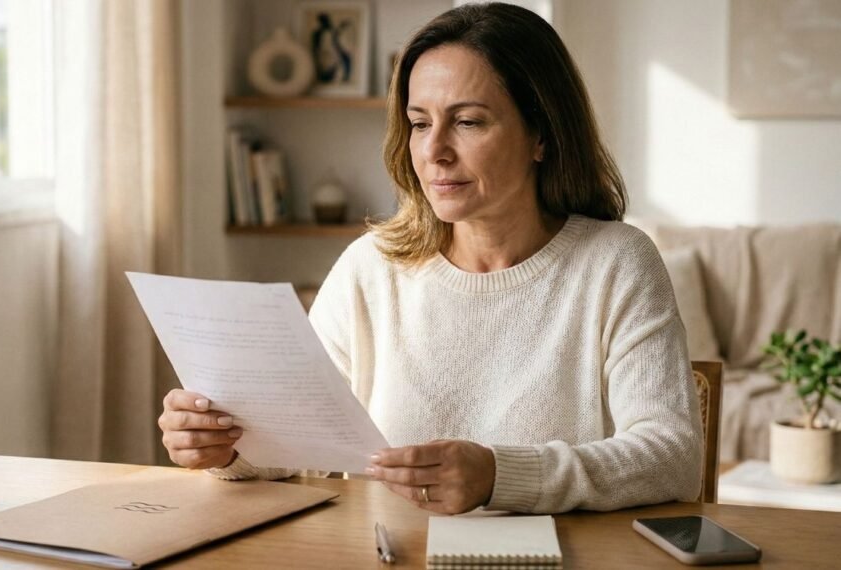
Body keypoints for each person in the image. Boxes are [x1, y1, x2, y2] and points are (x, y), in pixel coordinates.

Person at [158, 2, 702, 515]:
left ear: (542, 135)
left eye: (468, 122)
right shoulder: (370, 267)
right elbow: (293, 444)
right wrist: (224, 447)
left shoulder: (616, 263)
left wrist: (499, 475)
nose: (434, 150)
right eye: (420, 123)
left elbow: (672, 457)